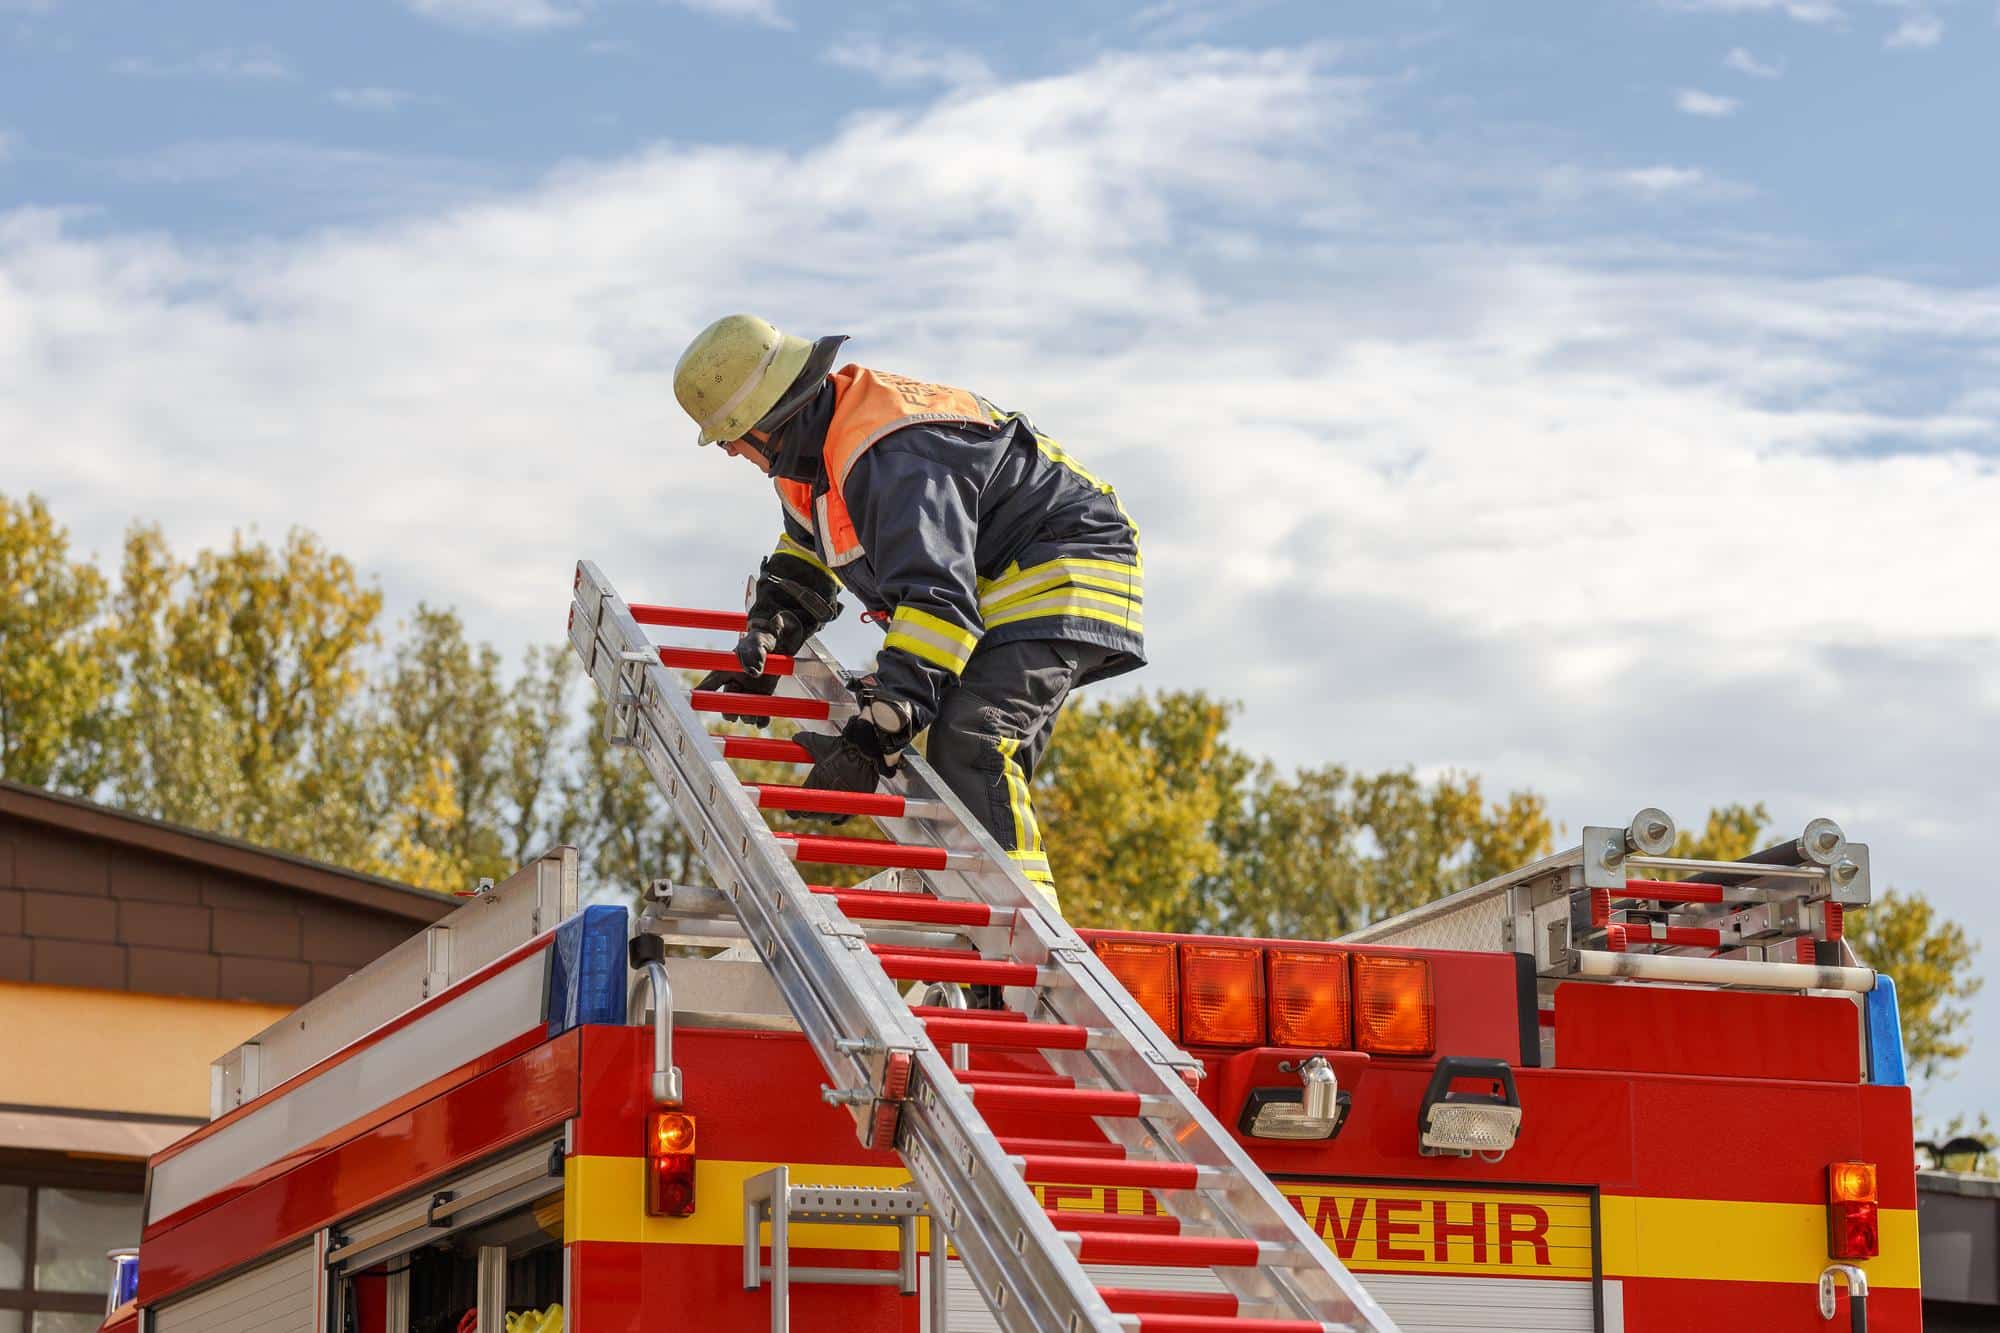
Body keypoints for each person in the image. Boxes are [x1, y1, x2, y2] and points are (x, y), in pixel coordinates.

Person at [673, 313, 1144, 910]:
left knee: (972, 740)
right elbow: (809, 548)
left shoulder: (886, 452)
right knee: (968, 777)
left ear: (765, 421)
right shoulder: (821, 453)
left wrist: (875, 735)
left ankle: (1025, 943)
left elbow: (936, 602)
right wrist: (773, 632)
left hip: (1061, 567)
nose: (732, 454)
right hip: (1004, 582)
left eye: (730, 437)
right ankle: (997, 947)